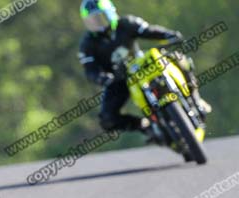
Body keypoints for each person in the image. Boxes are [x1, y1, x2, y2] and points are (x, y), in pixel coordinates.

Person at [78, 0, 211, 140]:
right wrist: (104, 78)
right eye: (92, 21)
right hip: (118, 79)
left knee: (178, 59)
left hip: (142, 65)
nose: (97, 24)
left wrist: (169, 35)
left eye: (100, 18)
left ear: (110, 13)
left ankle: (195, 98)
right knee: (107, 119)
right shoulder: (87, 44)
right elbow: (90, 70)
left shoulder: (126, 23)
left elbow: (149, 30)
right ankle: (145, 126)